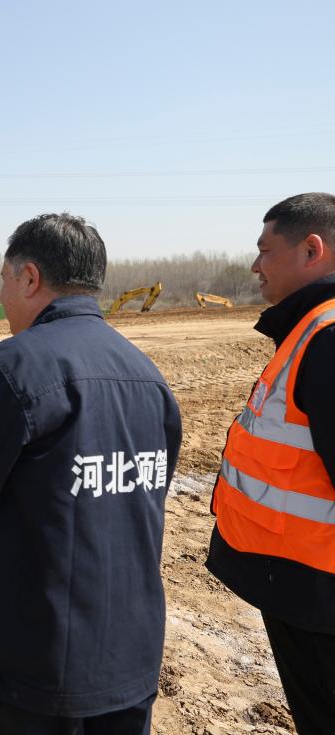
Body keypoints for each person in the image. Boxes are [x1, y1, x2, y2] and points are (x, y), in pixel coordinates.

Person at [0, 213, 181, 734]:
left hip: (34, 660)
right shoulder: (147, 375)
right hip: (129, 653)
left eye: (4, 280)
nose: (1, 295)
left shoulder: (10, 368)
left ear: (29, 278)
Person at [206, 192, 335, 735]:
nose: (255, 266)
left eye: (265, 250)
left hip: (320, 598)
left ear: (311, 250)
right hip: (301, 588)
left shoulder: (328, 338)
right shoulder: (307, 330)